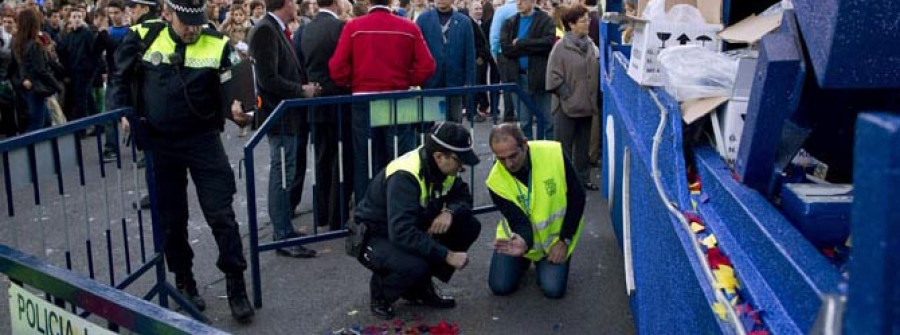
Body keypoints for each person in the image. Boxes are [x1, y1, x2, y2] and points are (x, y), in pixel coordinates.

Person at [107, 0, 255, 323]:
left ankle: (236, 283)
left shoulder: (216, 42)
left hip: (203, 141)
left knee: (222, 215)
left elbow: (238, 88)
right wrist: (121, 114)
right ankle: (184, 281)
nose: (191, 29)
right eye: (185, 21)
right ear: (167, 14)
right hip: (161, 145)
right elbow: (117, 77)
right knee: (172, 221)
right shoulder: (143, 35)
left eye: (196, 22)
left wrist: (240, 112)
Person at [356, 121, 481, 320]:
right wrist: (447, 255)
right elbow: (401, 233)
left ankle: (420, 288)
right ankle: (381, 294)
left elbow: (464, 198)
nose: (461, 167)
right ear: (439, 157)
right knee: (415, 265)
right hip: (375, 236)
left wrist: (449, 211)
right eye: (459, 160)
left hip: (408, 227)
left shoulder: (441, 167)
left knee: (468, 225)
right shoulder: (405, 176)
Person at [328, 0, 435, 204]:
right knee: (400, 157)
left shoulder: (354, 27)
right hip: (398, 98)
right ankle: (402, 205)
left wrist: (355, 82)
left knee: (365, 159)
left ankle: (367, 210)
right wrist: (406, 79)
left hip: (364, 99)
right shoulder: (408, 27)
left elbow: (337, 67)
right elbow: (427, 66)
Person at [249, 0, 320, 258]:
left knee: (286, 173)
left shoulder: (275, 29)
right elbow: (268, 79)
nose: (297, 6)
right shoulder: (266, 30)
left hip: (287, 116)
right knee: (282, 176)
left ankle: (285, 230)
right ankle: (282, 235)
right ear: (285, 3)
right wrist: (301, 90)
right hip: (278, 117)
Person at [485, 123, 585, 298]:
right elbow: (517, 219)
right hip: (519, 240)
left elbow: (577, 196)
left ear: (524, 144)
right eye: (501, 159)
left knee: (553, 290)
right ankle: (524, 260)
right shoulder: (494, 181)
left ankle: (543, 263)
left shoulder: (553, 153)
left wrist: (564, 240)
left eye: (513, 156)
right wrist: (524, 242)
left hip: (555, 241)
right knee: (499, 286)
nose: (508, 164)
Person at [300, 0, 353, 231]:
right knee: (340, 162)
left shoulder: (305, 29)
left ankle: (321, 214)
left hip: (316, 104)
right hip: (339, 102)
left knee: (321, 160)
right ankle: (336, 216)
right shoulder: (340, 28)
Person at [546, 4, 598, 190]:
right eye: (583, 21)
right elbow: (553, 77)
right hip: (565, 108)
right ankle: (565, 182)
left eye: (588, 20)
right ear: (571, 24)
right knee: (564, 148)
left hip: (586, 106)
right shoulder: (560, 48)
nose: (587, 23)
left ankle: (583, 180)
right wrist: (568, 96)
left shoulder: (591, 46)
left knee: (583, 149)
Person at [498, 0, 554, 140]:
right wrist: (532, 48)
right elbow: (506, 49)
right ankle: (528, 157)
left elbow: (547, 44)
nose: (519, 3)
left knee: (548, 122)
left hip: (540, 79)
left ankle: (549, 155)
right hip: (518, 78)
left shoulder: (545, 20)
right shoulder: (510, 23)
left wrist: (522, 43)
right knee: (524, 123)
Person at [415, 0, 474, 123]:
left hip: (455, 83)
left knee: (454, 126)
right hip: (430, 84)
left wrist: (469, 82)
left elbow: (469, 54)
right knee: (429, 126)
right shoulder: (423, 20)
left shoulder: (464, 22)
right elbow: (416, 51)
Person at [13, 7, 62, 132]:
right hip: (37, 87)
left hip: (27, 87)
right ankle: (32, 150)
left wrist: (23, 79)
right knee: (38, 124)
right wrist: (57, 86)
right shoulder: (34, 45)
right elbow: (41, 70)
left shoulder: (17, 43)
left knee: (45, 120)